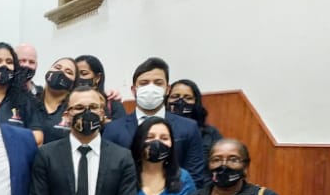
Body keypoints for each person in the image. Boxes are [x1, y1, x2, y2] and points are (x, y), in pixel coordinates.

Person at [102, 57, 208, 187]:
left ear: (168, 89)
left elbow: (195, 176)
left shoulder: (188, 127)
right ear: (133, 90)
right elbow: (107, 175)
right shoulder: (113, 129)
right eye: (144, 83)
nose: (150, 88)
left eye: (158, 83)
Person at [169, 79, 223, 156]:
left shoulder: (210, 133)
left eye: (188, 98)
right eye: (175, 96)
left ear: (196, 101)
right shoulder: (158, 130)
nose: (181, 101)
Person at [32, 57, 78, 144]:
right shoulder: (31, 101)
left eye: (68, 72)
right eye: (57, 67)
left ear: (73, 83)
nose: (61, 72)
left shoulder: (73, 110)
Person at [75, 54, 126, 121]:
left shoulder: (113, 104)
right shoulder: (65, 103)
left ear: (97, 77)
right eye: (76, 74)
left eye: (84, 73)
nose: (79, 78)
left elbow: (121, 129)